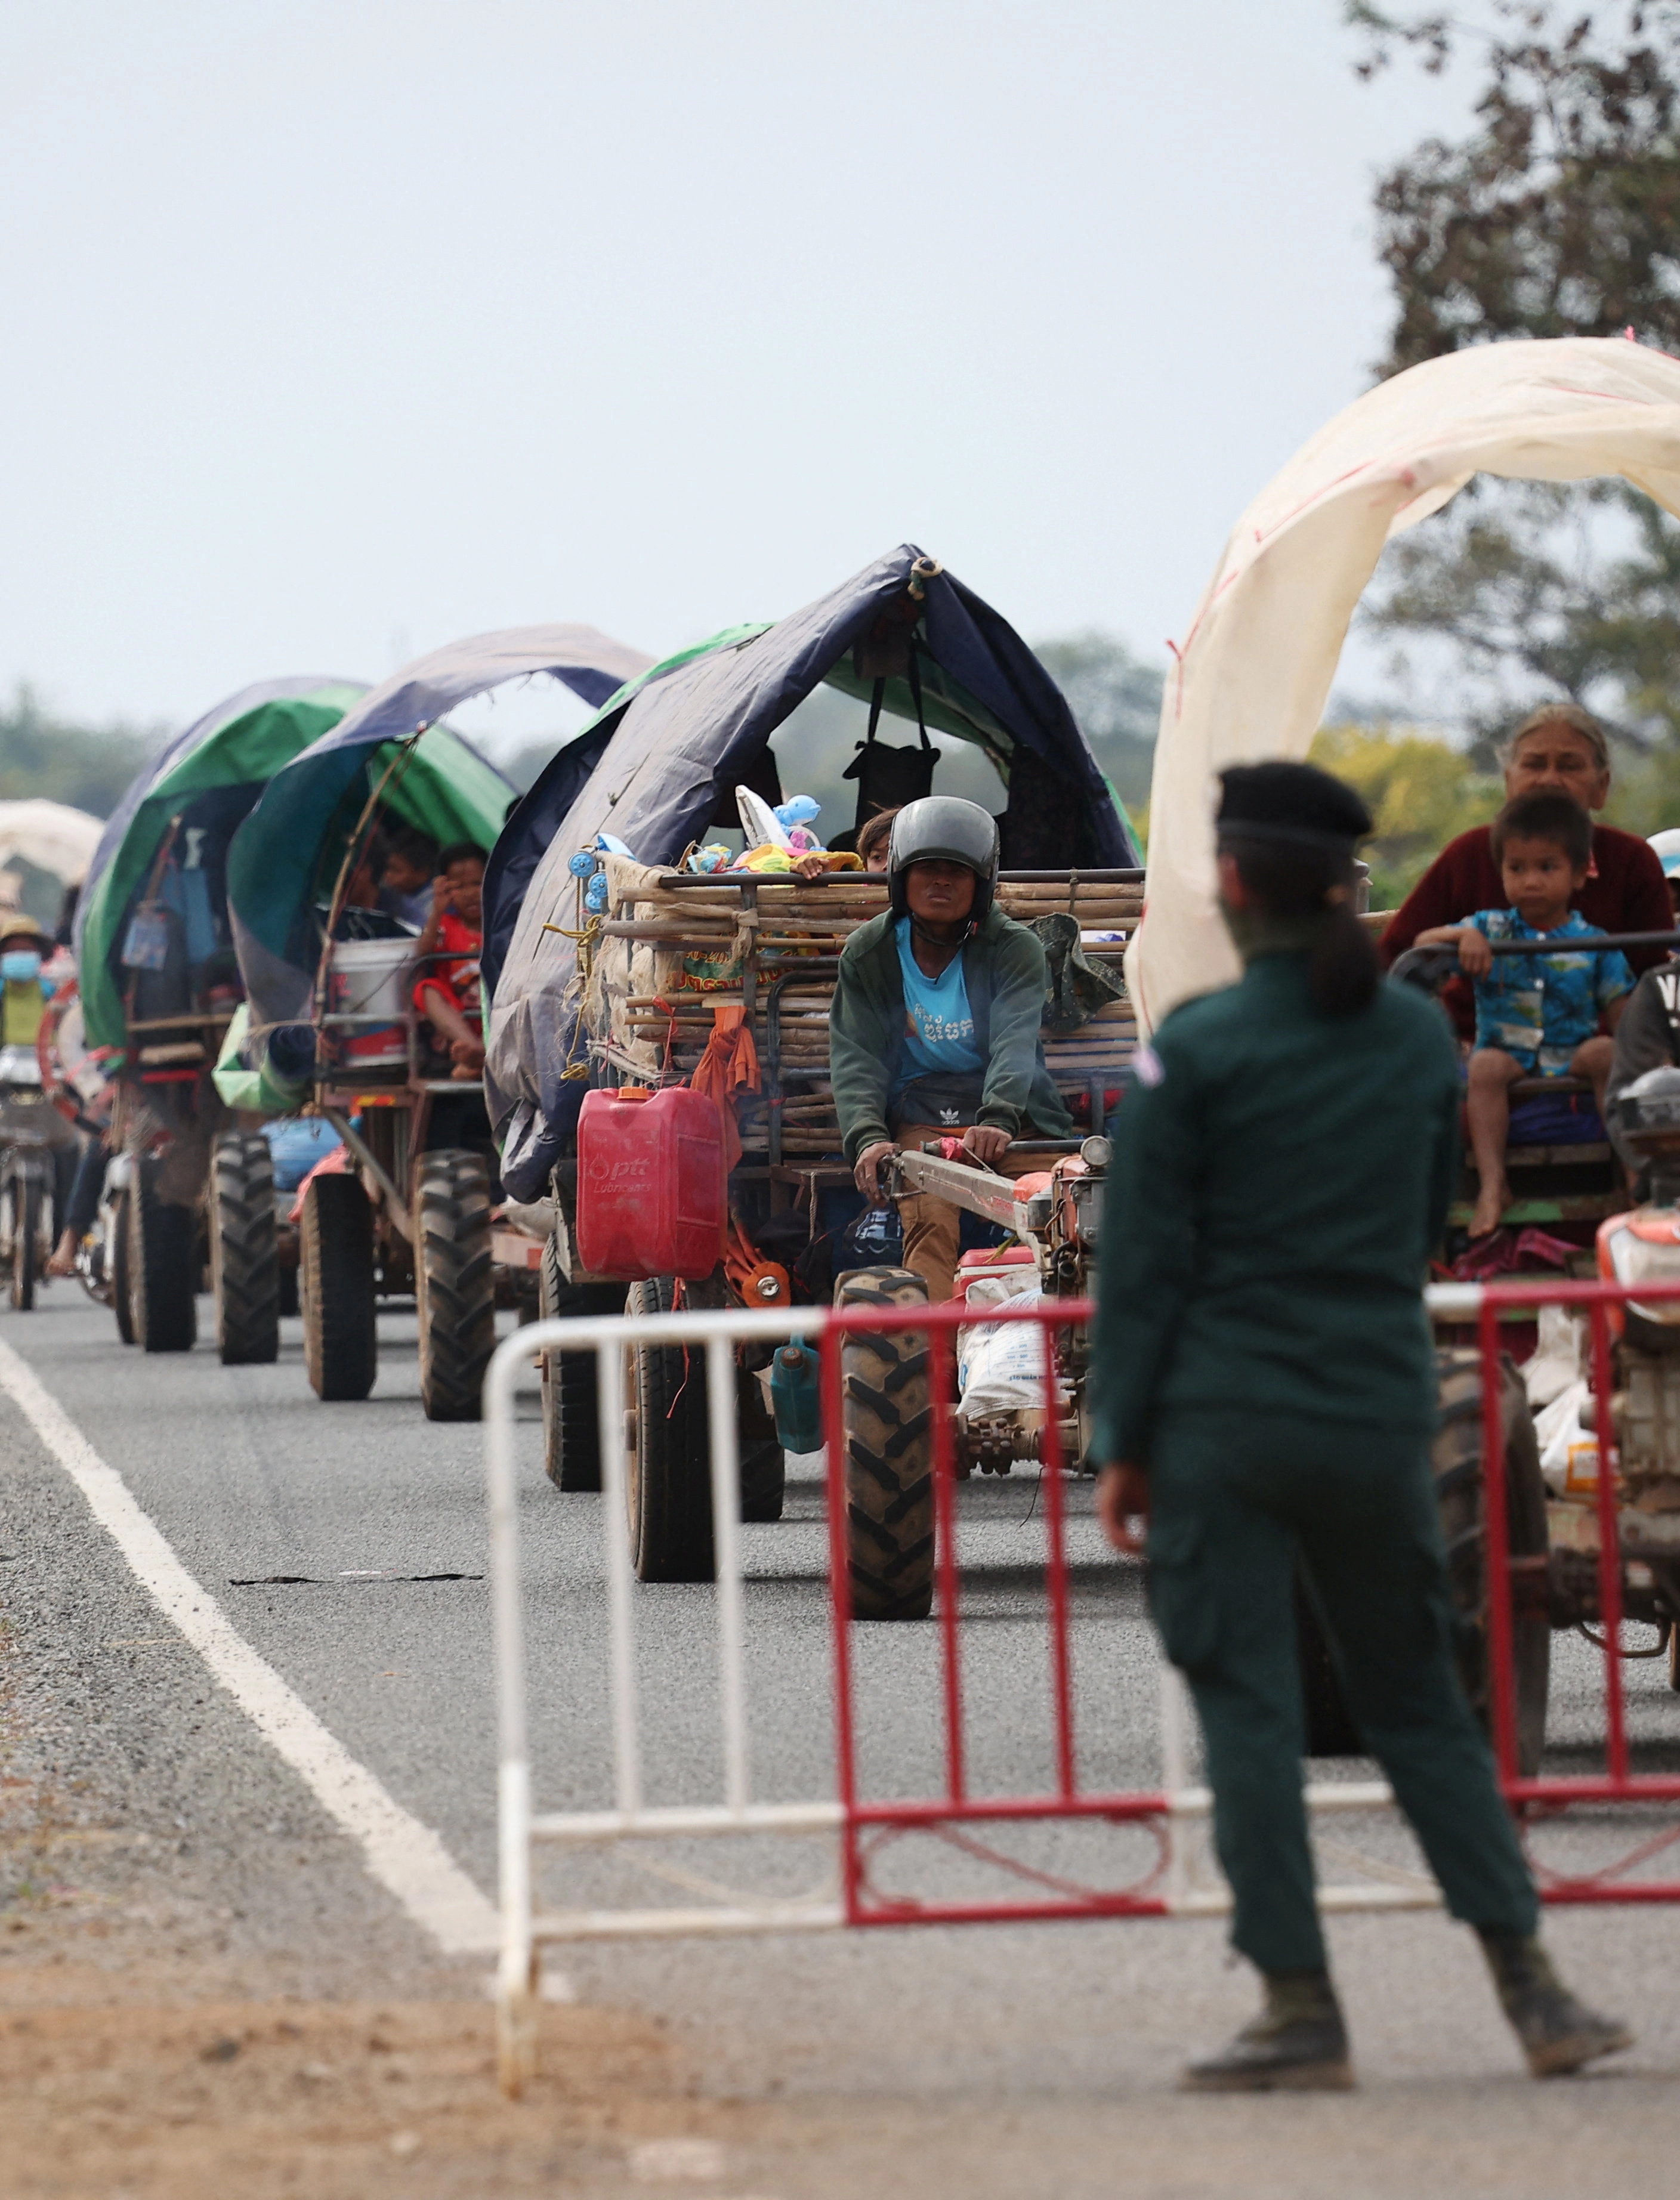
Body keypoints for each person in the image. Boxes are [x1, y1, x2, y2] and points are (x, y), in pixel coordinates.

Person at [1091, 759, 1628, 2092]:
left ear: (1228, 884)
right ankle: (1534, 1988)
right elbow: (1425, 1218)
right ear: (1349, 886)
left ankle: (1297, 2006)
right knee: (1424, 1710)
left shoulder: (1193, 1049)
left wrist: (1122, 1441)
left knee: (1252, 1719)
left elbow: (1143, 1265)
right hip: (1380, 1409)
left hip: (1224, 1424)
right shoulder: (1408, 1042)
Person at [830, 796, 1070, 1301]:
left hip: (1014, 1116)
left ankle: (1081, 1346)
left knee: (1067, 1209)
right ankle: (936, 1361)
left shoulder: (1014, 948)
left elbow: (1015, 1039)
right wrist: (869, 1136)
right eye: (928, 869)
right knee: (930, 1215)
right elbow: (857, 1055)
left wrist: (1000, 1118)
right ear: (900, 878)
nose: (941, 882)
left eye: (957, 872)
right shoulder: (868, 953)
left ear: (981, 884)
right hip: (922, 1113)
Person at [1412, 791, 1633, 1237]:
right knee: (1485, 1065)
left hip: (1571, 1054)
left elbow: (1623, 1012)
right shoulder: (1489, 929)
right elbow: (1422, 945)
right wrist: (1461, 940)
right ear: (1502, 872)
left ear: (1577, 875)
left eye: (1546, 868)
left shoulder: (1594, 942)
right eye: (1517, 869)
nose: (1530, 881)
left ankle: (1633, 1176)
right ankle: (1495, 1186)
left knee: (1610, 1052)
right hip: (1509, 1055)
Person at [1382, 703, 1669, 1040]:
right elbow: (1396, 960)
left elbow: (1656, 984)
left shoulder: (1633, 862)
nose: (1549, 779)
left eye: (1569, 765)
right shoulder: (1468, 855)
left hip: (1600, 1062)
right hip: (1478, 1059)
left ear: (1601, 786)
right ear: (1509, 781)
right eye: (1534, 764)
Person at [413, 843, 487, 1079]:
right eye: (459, 887)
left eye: (477, 884)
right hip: (460, 1025)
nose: (470, 893)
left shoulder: (501, 926)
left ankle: (477, 1064)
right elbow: (422, 954)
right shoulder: (445, 927)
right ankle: (476, 1052)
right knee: (426, 989)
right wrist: (437, 910)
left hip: (495, 1018)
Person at [379, 828, 440, 930]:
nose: (388, 875)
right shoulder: (392, 894)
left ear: (422, 874)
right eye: (388, 868)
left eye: (396, 871)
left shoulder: (432, 906)